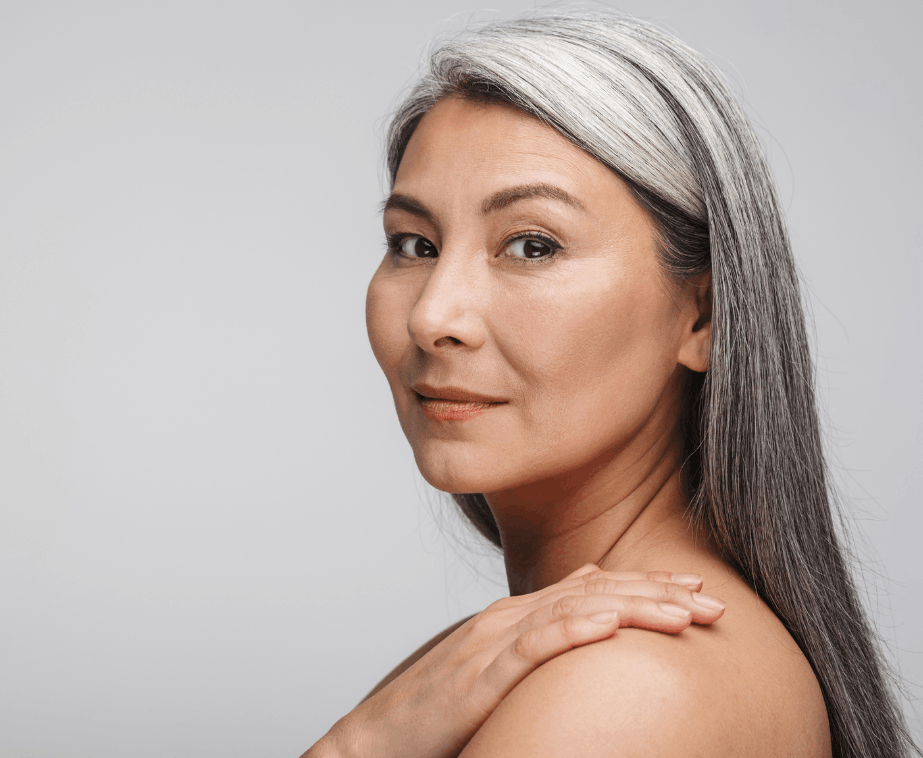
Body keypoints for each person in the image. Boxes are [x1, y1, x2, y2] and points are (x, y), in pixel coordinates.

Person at [304, 11, 918, 758]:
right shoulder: (500, 659)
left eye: (531, 245)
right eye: (415, 244)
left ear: (704, 315)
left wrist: (355, 747)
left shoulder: (627, 686)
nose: (434, 316)